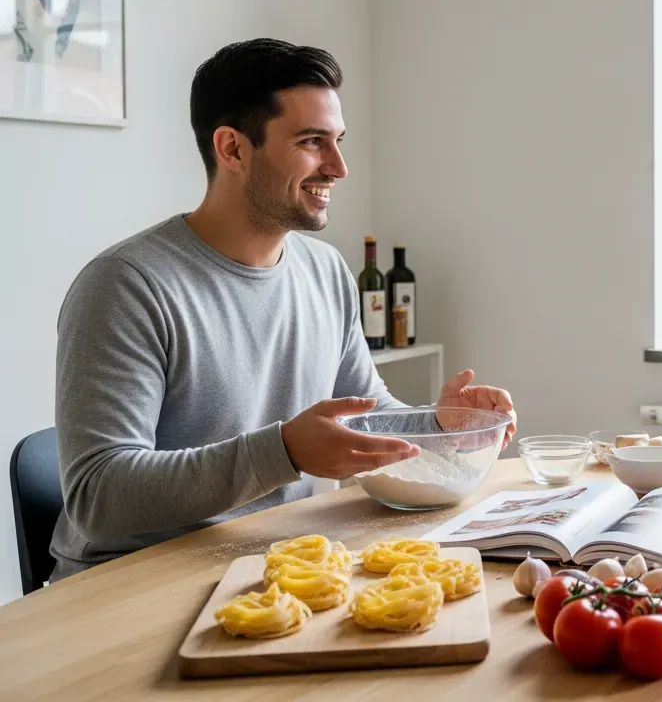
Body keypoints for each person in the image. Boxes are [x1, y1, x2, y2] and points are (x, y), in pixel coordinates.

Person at [51, 38, 517, 580]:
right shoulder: (126, 286)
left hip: (271, 565)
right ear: (232, 149)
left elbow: (364, 413)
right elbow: (98, 496)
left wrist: (442, 422)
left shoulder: (324, 270)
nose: (339, 167)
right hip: (130, 583)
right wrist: (284, 451)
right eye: (312, 142)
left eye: (338, 141)